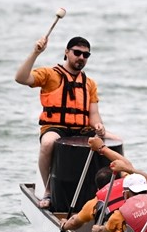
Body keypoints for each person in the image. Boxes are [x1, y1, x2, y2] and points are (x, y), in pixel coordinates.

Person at [15, 35, 114, 207]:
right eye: (77, 53)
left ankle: (111, 194)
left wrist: (99, 126)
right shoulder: (49, 74)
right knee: (47, 143)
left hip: (82, 129)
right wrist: (35, 53)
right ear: (67, 52)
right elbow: (21, 78)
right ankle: (48, 191)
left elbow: (94, 114)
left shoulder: (89, 83)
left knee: (114, 142)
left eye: (86, 55)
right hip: (56, 127)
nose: (81, 57)